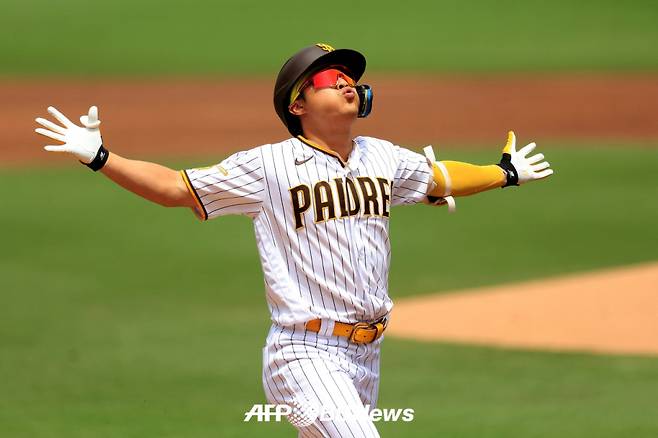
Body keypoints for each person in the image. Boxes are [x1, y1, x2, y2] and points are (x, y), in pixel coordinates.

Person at [34, 43, 553, 437]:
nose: (349, 84)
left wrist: (502, 172)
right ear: (298, 102)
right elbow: (176, 188)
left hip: (366, 356)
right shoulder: (267, 166)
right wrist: (101, 157)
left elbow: (439, 176)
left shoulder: (383, 156)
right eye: (333, 78)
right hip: (305, 352)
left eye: (353, 80)